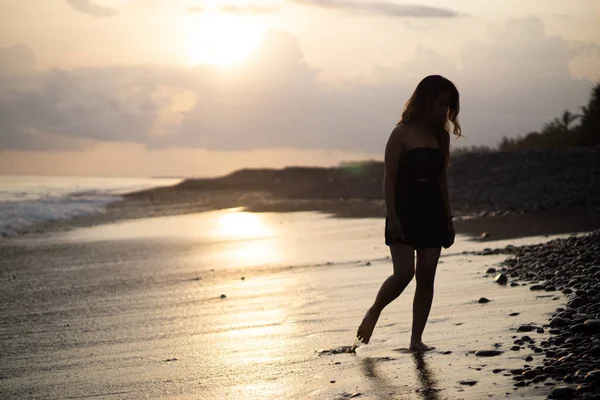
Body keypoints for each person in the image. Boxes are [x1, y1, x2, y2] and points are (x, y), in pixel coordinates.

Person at [355, 75, 462, 352]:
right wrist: (392, 216)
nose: (444, 110)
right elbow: (389, 178)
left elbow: (441, 180)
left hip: (433, 210)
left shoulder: (441, 135)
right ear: (425, 100)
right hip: (404, 208)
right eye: (440, 103)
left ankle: (416, 340)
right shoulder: (401, 133)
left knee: (427, 277)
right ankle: (374, 311)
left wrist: (449, 218)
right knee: (404, 273)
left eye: (448, 105)